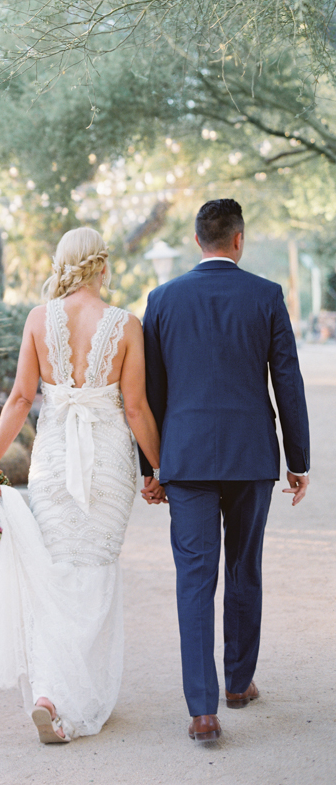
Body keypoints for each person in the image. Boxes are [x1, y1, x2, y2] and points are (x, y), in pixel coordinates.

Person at [0, 227, 161, 744]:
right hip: (106, 463)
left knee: (57, 572)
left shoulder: (39, 320)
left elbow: (19, 399)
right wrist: (158, 469)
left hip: (54, 460)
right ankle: (74, 700)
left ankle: (49, 694)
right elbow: (135, 407)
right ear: (102, 266)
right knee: (95, 573)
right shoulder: (126, 325)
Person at [139, 199, 310, 742]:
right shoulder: (266, 296)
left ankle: (202, 711)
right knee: (243, 567)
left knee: (194, 579)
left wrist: (151, 465)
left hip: (185, 461)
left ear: (197, 241)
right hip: (251, 456)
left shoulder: (162, 300)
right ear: (238, 240)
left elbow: (150, 393)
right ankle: (238, 683)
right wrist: (298, 460)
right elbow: (288, 380)